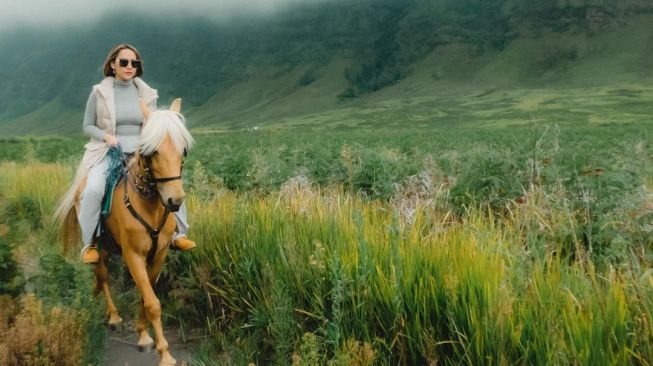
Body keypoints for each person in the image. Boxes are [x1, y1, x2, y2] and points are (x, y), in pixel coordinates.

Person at [75, 43, 195, 263]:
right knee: (92, 190)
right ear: (113, 65)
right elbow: (87, 126)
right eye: (124, 62)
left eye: (134, 63)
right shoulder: (99, 92)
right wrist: (107, 137)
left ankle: (179, 233)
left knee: (170, 182)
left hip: (142, 150)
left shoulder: (146, 92)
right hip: (108, 150)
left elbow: (154, 123)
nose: (130, 66)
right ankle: (89, 243)